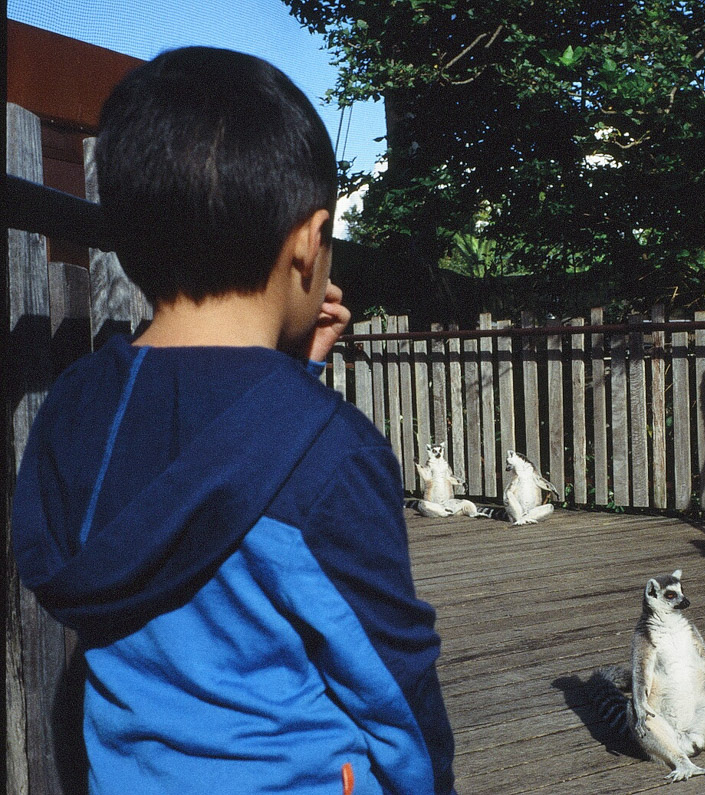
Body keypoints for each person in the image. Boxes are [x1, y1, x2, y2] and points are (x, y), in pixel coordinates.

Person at [12, 47, 455, 794]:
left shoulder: (75, 406)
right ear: (310, 243)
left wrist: (291, 377)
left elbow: (185, 461)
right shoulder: (329, 451)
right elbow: (389, 674)